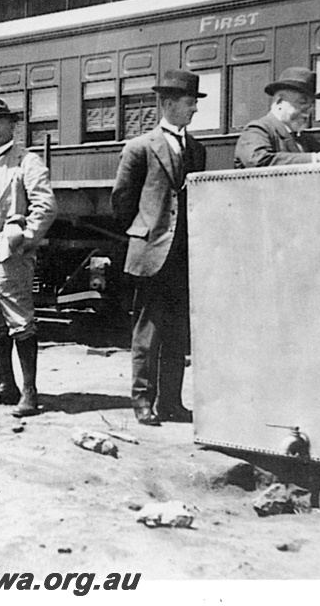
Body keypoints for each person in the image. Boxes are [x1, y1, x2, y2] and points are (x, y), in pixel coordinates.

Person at [111, 69, 207, 426]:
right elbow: (122, 200)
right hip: (152, 252)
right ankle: (142, 402)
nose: (194, 109)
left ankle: (171, 402)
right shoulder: (139, 147)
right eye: (189, 102)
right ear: (167, 104)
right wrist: (144, 232)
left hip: (184, 255)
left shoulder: (197, 149)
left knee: (178, 332)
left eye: (195, 102)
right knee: (148, 331)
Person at [0, 98, 57, 417]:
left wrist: (24, 241)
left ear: (11, 125)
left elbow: (45, 206)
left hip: (9, 254)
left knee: (20, 319)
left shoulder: (27, 161)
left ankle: (30, 392)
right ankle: (6, 385)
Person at [234, 67, 320, 168]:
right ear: (280, 102)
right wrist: (315, 159)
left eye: (312, 105)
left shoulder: (307, 140)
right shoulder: (257, 130)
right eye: (302, 102)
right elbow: (258, 161)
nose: (309, 110)